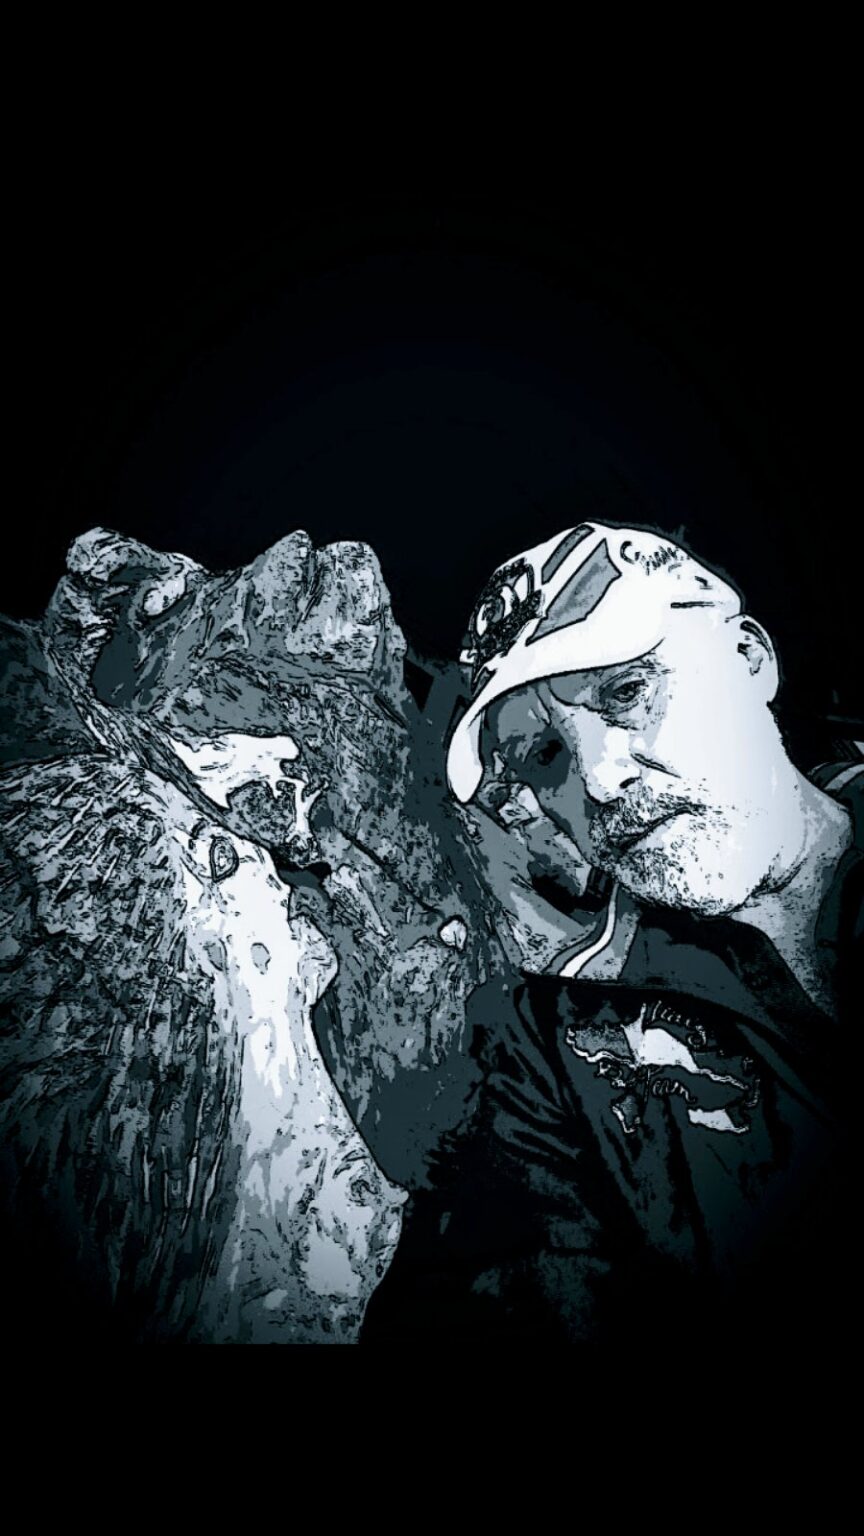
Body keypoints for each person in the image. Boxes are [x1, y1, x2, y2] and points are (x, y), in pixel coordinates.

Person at [361, 521, 863, 1350]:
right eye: (546, 756)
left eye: (627, 691)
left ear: (749, 658)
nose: (599, 779)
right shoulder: (552, 1041)